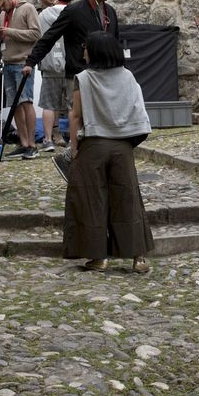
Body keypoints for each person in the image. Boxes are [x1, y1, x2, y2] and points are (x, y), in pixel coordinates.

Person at [65, 32, 155, 273]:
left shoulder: (84, 78)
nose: (83, 51)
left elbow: (76, 115)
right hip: (122, 146)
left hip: (93, 145)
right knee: (127, 199)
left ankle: (99, 257)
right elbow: (138, 107)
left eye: (86, 48)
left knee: (91, 200)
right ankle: (139, 257)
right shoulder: (128, 76)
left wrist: (73, 147)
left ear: (94, 51)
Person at [23, 0, 121, 91]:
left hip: (106, 77)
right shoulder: (73, 11)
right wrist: (30, 62)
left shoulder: (110, 12)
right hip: (79, 77)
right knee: (76, 111)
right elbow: (49, 38)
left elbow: (116, 43)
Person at [0, 0, 42, 160]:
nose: (0, 8)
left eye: (1, 4)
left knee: (26, 102)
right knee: (15, 105)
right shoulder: (3, 14)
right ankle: (23, 143)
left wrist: (10, 31)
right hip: (8, 62)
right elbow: (6, 37)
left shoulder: (27, 8)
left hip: (23, 63)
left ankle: (33, 144)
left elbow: (36, 34)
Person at [36, 0, 78, 152]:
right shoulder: (75, 12)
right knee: (72, 106)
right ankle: (73, 141)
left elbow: (39, 37)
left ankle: (48, 140)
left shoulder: (43, 15)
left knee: (49, 105)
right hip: (70, 64)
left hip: (50, 63)